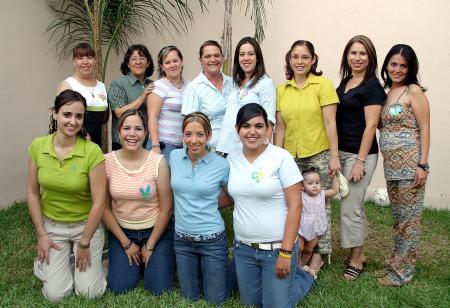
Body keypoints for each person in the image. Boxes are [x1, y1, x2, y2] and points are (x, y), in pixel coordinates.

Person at [27, 90, 106, 303]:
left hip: (86, 227)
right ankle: (49, 265)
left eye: (79, 116)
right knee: (56, 296)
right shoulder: (38, 146)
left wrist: (84, 242)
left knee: (89, 293)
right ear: (55, 114)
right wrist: (42, 235)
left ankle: (92, 263)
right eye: (67, 114)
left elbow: (99, 201)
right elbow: (33, 193)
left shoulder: (92, 151)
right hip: (53, 227)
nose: (73, 121)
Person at [274, 40, 340, 275]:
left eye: (304, 57)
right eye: (295, 57)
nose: (299, 62)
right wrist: (275, 158)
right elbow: (280, 128)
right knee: (293, 205)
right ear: (289, 60)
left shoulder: (323, 85)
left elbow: (330, 122)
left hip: (319, 153)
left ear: (313, 60)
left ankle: (318, 256)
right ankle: (296, 248)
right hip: (291, 157)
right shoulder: (282, 89)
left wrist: (334, 156)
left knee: (321, 205)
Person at [228, 103, 303, 307]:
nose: (252, 131)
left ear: (268, 129)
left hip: (277, 249)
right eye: (246, 126)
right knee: (251, 305)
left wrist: (285, 252)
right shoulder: (231, 160)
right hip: (243, 249)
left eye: (259, 126)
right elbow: (228, 197)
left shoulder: (281, 158)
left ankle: (303, 278)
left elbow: (296, 205)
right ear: (237, 130)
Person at [103, 109, 175, 294]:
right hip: (123, 232)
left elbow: (167, 209)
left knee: (159, 289)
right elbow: (103, 208)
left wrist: (150, 245)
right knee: (120, 287)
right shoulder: (106, 162)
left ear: (146, 133)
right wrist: (126, 243)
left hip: (156, 231)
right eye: (127, 128)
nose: (132, 134)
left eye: (138, 128)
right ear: (119, 133)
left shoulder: (158, 162)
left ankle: (151, 258)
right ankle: (128, 260)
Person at [377, 44, 430, 287]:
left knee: (410, 221)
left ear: (410, 68)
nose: (397, 69)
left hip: (411, 167)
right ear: (386, 65)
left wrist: (423, 164)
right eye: (393, 64)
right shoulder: (387, 92)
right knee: (398, 218)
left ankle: (403, 273)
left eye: (403, 65)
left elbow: (425, 128)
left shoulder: (413, 90)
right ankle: (395, 263)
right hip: (391, 167)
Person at [336, 35, 386, 280]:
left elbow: (371, 126)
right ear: (347, 55)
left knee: (350, 206)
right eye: (353, 52)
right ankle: (359, 251)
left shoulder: (372, 87)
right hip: (343, 151)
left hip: (360, 154)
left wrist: (359, 162)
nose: (357, 57)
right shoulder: (346, 81)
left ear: (370, 58)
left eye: (362, 53)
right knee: (351, 205)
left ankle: (357, 259)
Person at [170, 112, 230, 304]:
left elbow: (232, 196)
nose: (193, 140)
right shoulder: (174, 157)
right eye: (188, 134)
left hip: (212, 240)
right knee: (189, 297)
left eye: (199, 135)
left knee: (215, 300)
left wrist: (208, 205)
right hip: (182, 241)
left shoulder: (222, 165)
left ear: (209, 135)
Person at [216, 36, 275, 154]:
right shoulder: (235, 82)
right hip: (225, 148)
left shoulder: (265, 83)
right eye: (242, 54)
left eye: (250, 54)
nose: (246, 58)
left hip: (248, 151)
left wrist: (263, 154)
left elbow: (269, 121)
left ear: (257, 58)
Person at [182, 40, 233, 150]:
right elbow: (189, 127)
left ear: (222, 58)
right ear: (200, 60)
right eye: (207, 56)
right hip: (208, 152)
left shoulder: (233, 84)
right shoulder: (193, 88)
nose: (213, 59)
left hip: (235, 149)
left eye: (216, 55)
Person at [57, 43, 108, 147]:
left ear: (94, 61)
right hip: (74, 142)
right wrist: (83, 134)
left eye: (89, 57)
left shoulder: (101, 86)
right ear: (74, 62)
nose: (85, 62)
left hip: (96, 145)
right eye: (80, 58)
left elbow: (103, 119)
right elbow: (61, 116)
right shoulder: (67, 84)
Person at [108, 44, 155, 150]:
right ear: (128, 64)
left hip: (147, 143)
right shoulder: (118, 84)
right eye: (133, 59)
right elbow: (119, 113)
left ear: (148, 63)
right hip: (124, 143)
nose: (138, 62)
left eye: (142, 58)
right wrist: (142, 97)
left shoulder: (154, 85)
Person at [147, 46, 187, 162]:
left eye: (175, 61)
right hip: (163, 145)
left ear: (181, 61)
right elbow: (152, 117)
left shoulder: (189, 86)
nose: (172, 65)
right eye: (167, 62)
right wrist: (155, 146)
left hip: (183, 146)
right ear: (162, 66)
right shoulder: (158, 86)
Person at [297, 167, 339, 279]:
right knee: (299, 248)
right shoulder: (301, 195)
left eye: (317, 183)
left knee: (309, 249)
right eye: (310, 183)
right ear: (302, 186)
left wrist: (334, 177)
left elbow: (335, 190)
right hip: (301, 227)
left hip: (315, 228)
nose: (315, 186)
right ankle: (296, 265)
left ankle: (300, 266)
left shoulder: (321, 194)